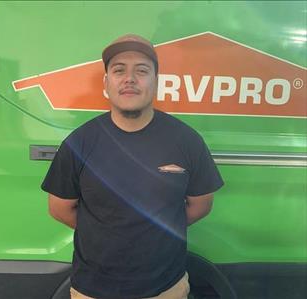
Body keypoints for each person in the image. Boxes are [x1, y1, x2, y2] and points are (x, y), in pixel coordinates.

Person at [41, 33, 224, 299]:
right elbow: (59, 208)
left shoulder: (186, 141)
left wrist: (154, 233)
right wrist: (106, 232)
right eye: (119, 70)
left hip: (166, 289)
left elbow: (201, 204)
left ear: (156, 82)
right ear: (106, 82)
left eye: (142, 70)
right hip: (92, 290)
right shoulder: (78, 143)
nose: (130, 79)